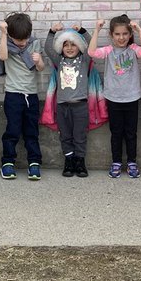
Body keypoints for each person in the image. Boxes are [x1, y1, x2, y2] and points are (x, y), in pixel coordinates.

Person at [88, 14, 141, 178]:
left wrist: (139, 30)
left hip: (131, 97)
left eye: (125, 34)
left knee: (130, 133)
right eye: (117, 34)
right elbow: (91, 51)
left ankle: (131, 162)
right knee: (116, 132)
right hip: (113, 98)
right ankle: (116, 161)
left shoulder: (133, 49)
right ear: (111, 35)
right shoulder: (108, 50)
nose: (121, 38)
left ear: (130, 35)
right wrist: (97, 29)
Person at [0, 11, 45, 180]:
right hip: (13, 94)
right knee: (13, 130)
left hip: (31, 95)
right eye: (18, 40)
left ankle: (34, 163)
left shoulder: (34, 43)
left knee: (32, 131)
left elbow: (41, 68)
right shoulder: (7, 45)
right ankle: (8, 162)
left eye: (24, 39)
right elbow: (2, 56)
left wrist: (39, 61)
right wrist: (3, 33)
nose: (22, 43)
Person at [44, 23, 94, 177]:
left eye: (74, 44)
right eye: (66, 45)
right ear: (61, 47)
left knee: (79, 136)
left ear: (80, 46)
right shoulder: (59, 61)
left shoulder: (84, 60)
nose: (70, 48)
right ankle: (69, 161)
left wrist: (83, 31)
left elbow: (91, 46)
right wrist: (52, 32)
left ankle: (80, 162)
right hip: (62, 106)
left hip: (80, 106)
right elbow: (48, 48)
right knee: (65, 136)